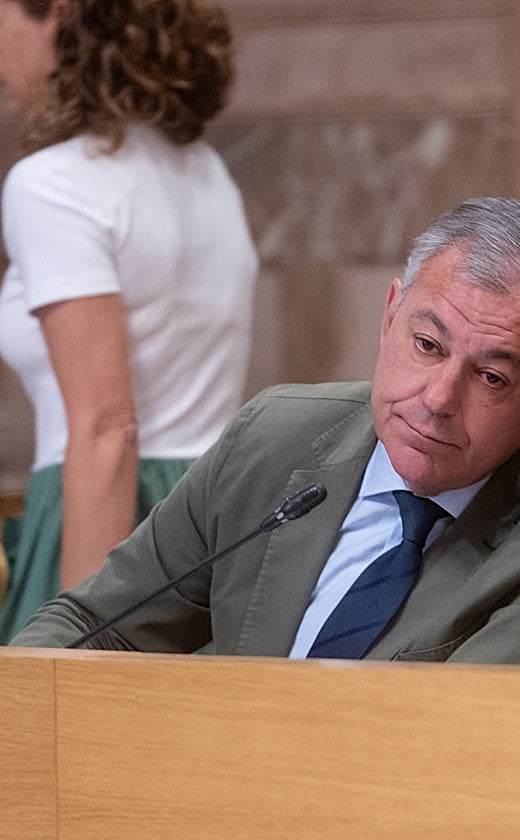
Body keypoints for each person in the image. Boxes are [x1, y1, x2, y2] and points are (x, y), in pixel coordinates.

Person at [11, 196, 520, 666]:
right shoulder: (276, 435)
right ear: (388, 318)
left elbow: (465, 739)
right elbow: (95, 624)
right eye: (427, 345)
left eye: (491, 377)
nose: (437, 399)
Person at [0, 0, 257, 641]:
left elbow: (108, 430)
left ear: (56, 15)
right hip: (212, 520)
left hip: (105, 517)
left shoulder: (53, 184)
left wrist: (79, 641)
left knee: (67, 730)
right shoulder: (205, 170)